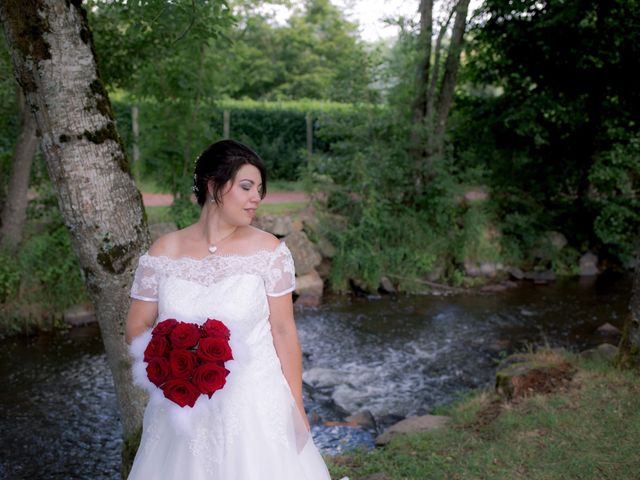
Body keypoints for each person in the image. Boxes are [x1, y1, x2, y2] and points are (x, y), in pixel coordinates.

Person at [125, 139, 331, 479]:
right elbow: (136, 327)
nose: (256, 198)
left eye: (260, 190)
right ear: (213, 185)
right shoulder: (165, 250)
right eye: (247, 187)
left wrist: (296, 406)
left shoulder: (269, 251)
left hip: (255, 407)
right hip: (184, 409)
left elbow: (283, 331)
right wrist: (178, 362)